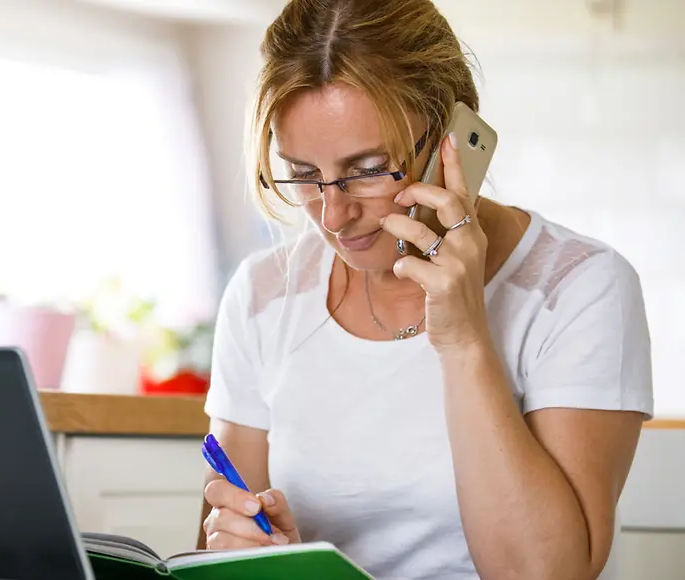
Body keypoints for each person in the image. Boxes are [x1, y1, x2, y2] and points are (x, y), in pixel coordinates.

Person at [198, 1, 653, 579]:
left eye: (368, 168)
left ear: (453, 141)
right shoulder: (264, 293)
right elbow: (221, 541)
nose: (333, 216)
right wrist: (253, 555)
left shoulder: (579, 286)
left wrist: (465, 341)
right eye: (305, 175)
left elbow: (545, 574)